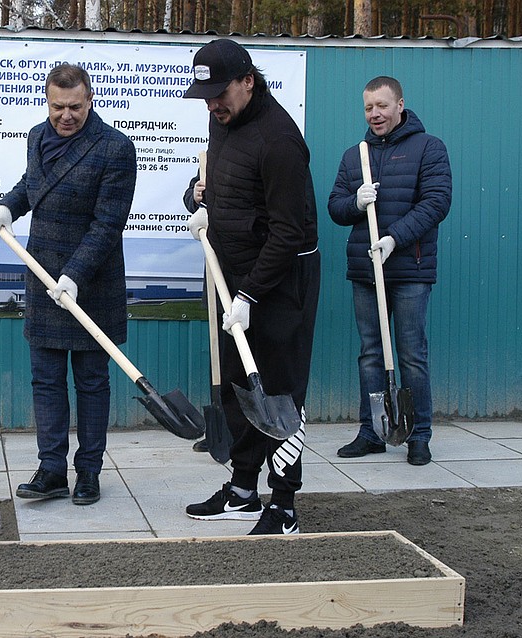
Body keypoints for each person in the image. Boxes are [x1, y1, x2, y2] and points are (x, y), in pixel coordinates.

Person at [0, 63, 136, 506]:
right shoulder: (36, 135)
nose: (65, 116)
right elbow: (32, 185)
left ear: (90, 100)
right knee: (45, 380)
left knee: (91, 381)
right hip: (43, 274)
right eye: (56, 107)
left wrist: (75, 275)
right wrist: (6, 207)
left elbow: (108, 225)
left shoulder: (114, 148)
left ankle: (88, 472)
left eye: (74, 107)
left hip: (91, 280)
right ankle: (51, 469)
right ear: (47, 102)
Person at [182, 39, 320, 535]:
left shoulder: (279, 140)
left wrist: (250, 296)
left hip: (281, 283)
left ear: (248, 82)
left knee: (280, 393)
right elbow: (228, 188)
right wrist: (197, 199)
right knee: (241, 386)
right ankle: (243, 488)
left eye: (221, 93)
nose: (213, 104)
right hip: (233, 275)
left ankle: (283, 504)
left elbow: (288, 230)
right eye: (205, 96)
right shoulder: (223, 120)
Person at [328, 76, 451, 466]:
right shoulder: (355, 155)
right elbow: (335, 207)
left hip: (410, 268)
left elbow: (436, 203)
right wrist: (355, 203)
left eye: (382, 105)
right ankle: (373, 431)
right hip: (367, 271)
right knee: (369, 353)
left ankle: (419, 435)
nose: (375, 114)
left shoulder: (429, 148)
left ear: (400, 105)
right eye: (368, 107)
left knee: (412, 353)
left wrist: (395, 238)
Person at [183, 171, 212, 455]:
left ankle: (250, 430)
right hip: (217, 262)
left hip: (252, 266)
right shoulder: (213, 154)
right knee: (221, 354)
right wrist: (197, 194)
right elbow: (189, 197)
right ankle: (222, 427)